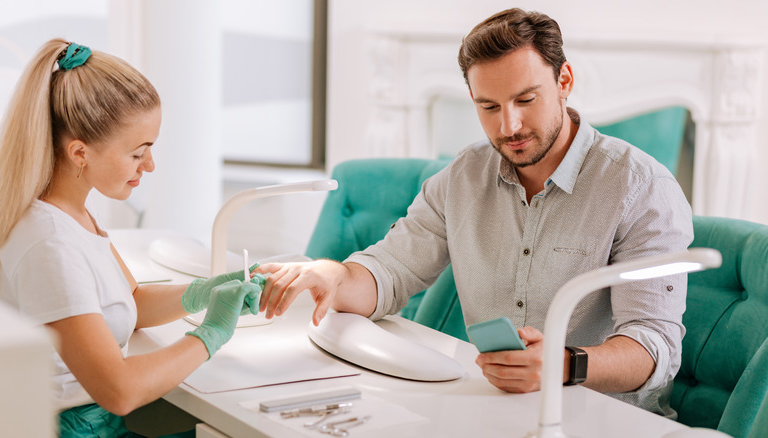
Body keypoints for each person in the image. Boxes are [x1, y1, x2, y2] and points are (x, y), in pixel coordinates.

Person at [252, 8, 693, 418]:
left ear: (564, 80)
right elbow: (390, 272)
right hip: (493, 410)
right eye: (489, 107)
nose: (509, 126)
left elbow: (654, 347)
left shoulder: (641, 188)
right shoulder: (463, 175)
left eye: (526, 100)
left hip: (605, 420)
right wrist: (332, 276)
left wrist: (562, 364)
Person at [0, 39, 264, 437]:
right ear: (80, 153)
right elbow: (119, 390)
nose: (149, 165)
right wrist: (211, 334)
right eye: (138, 153)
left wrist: (205, 292)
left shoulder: (72, 213)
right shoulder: (48, 242)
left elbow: (128, 300)